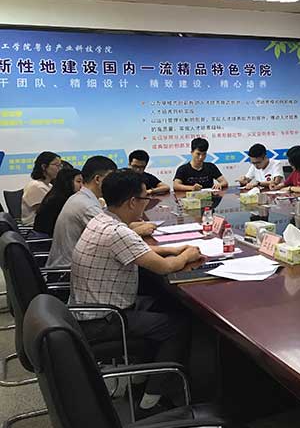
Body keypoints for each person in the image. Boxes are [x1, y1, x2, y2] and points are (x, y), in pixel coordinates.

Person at [70, 169, 204, 414]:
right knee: (178, 326)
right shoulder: (118, 232)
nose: (147, 202)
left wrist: (173, 249)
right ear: (132, 202)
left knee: (162, 303)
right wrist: (187, 254)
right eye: (145, 198)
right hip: (103, 320)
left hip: (90, 309)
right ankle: (149, 402)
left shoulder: (102, 220)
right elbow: (165, 268)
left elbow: (139, 251)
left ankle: (140, 379)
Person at [49, 155, 118, 267]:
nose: (114, 184)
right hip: (68, 271)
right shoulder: (87, 206)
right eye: (111, 179)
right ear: (97, 179)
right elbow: (115, 237)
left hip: (74, 265)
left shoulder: (82, 197)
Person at [33, 167, 82, 237]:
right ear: (67, 182)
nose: (82, 186)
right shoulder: (59, 200)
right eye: (78, 182)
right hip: (47, 240)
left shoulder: (56, 195)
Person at [21, 151, 61, 225]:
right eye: (56, 165)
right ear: (44, 167)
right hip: (35, 227)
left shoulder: (49, 186)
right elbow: (47, 211)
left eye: (60, 165)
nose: (59, 168)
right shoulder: (35, 186)